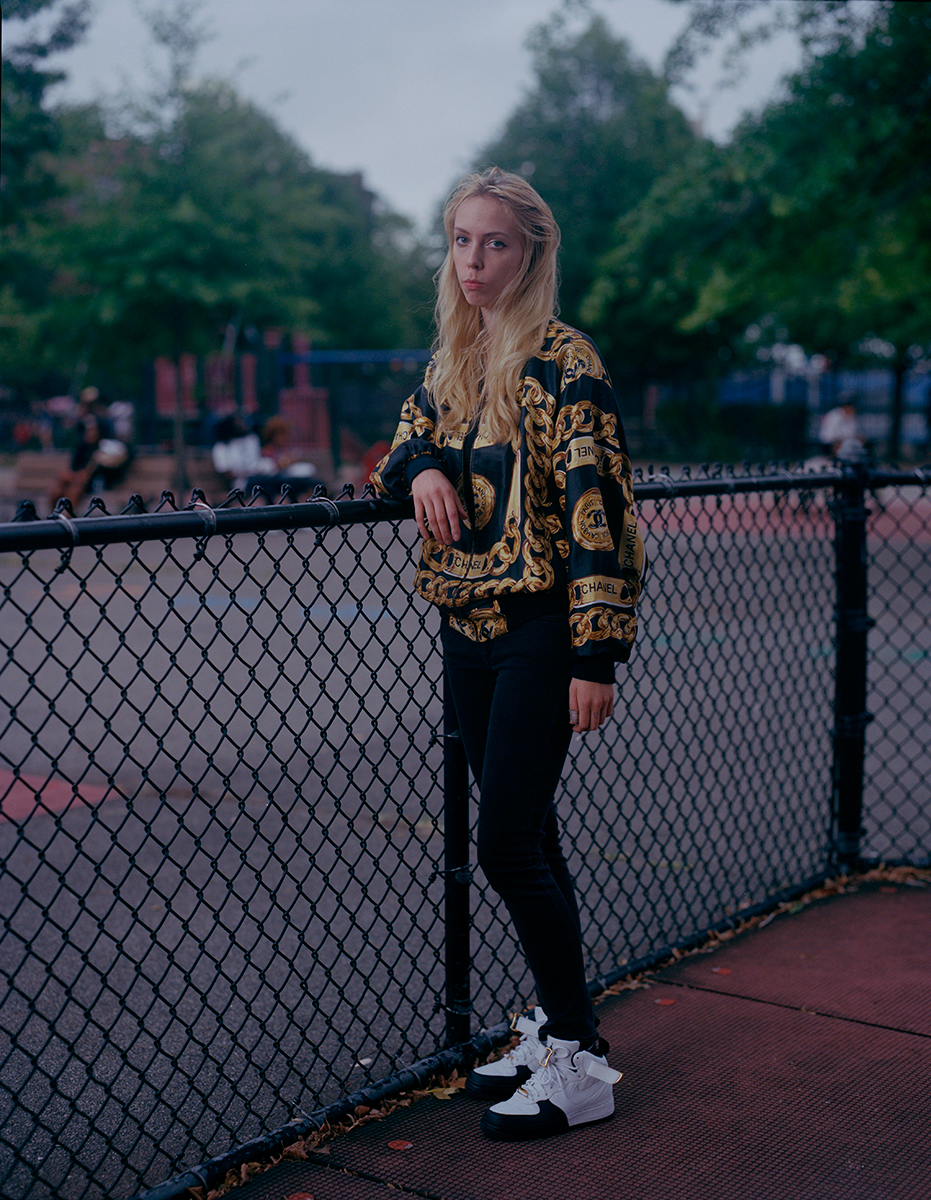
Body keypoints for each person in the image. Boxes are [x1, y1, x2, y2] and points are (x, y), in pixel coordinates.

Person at [371, 168, 644, 1141]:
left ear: (531, 251)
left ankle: (577, 1059)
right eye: (459, 241)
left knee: (502, 848)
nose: (475, 260)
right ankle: (569, 1039)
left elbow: (598, 509)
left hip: (539, 628)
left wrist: (594, 656)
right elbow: (394, 448)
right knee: (532, 839)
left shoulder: (562, 361)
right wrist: (426, 466)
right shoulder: (453, 356)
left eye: (495, 243)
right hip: (465, 630)